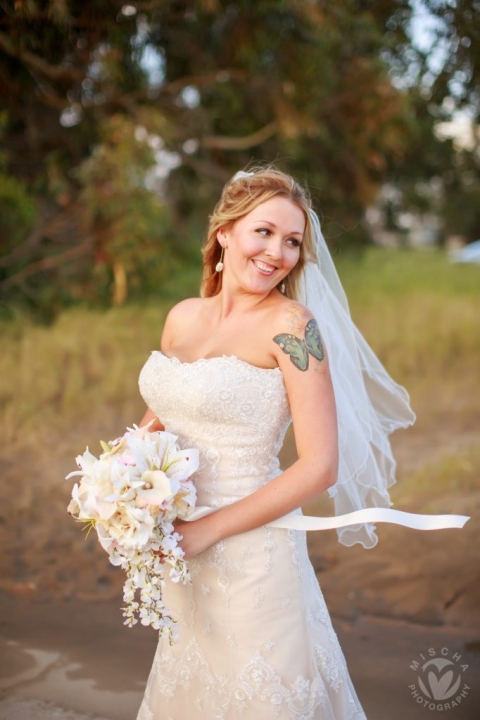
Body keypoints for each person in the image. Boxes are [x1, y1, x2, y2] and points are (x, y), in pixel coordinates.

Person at [134, 166, 461, 719]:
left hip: (251, 553)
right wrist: (115, 488)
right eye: (263, 232)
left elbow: (319, 467)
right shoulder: (182, 319)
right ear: (225, 233)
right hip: (178, 546)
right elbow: (158, 419)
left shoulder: (292, 324)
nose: (277, 252)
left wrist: (206, 530)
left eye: (292, 241)